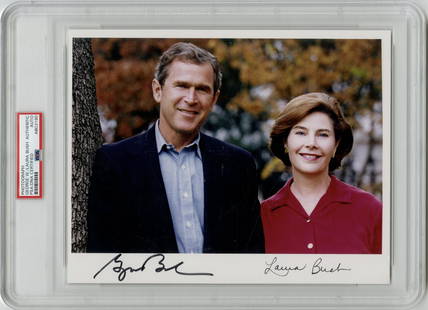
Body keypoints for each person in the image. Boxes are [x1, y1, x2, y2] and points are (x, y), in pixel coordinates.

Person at [86, 42, 264, 253]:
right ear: (158, 90)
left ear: (214, 99)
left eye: (202, 89)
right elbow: (104, 254)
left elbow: (251, 254)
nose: (191, 99)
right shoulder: (114, 162)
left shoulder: (238, 164)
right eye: (181, 85)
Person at [261, 92, 382, 254]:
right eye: (301, 133)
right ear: (285, 141)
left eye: (323, 134)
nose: (311, 143)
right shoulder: (262, 216)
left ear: (336, 144)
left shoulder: (370, 209)